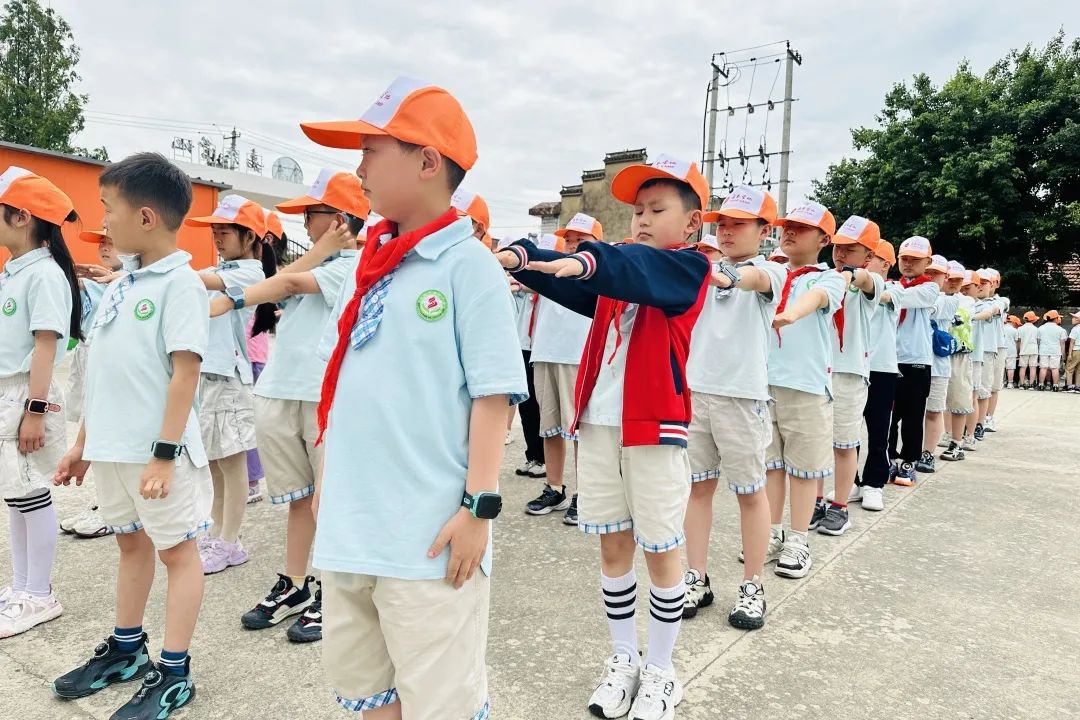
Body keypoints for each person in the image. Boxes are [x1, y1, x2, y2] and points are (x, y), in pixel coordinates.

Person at [302, 76, 526, 720]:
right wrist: (330, 477)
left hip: (427, 540)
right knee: (367, 692)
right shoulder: (372, 264)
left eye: (373, 150)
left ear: (428, 161)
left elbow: (494, 395)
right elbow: (339, 382)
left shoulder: (466, 266)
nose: (359, 167)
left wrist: (478, 508)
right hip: (353, 530)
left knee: (440, 701)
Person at [498, 153, 712, 720]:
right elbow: (576, 278)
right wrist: (523, 260)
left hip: (654, 433)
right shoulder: (617, 275)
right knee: (613, 544)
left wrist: (589, 262)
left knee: (662, 549)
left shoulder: (688, 270)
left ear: (692, 223)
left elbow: (631, 268)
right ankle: (624, 661)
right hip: (597, 427)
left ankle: (662, 671)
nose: (640, 218)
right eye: (636, 210)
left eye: (656, 208)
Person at [52, 152, 210, 718]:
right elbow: (104, 372)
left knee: (177, 553)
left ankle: (174, 672)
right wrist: (83, 444)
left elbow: (185, 375)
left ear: (145, 217)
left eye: (108, 210)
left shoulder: (180, 285)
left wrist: (165, 455)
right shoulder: (123, 285)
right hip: (114, 450)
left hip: (156, 456)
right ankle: (125, 649)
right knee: (129, 544)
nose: (104, 223)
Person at [211, 168, 369, 643]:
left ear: (339, 219)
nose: (303, 224)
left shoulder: (349, 264)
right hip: (282, 389)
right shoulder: (317, 262)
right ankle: (296, 581)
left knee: (328, 501)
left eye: (311, 214)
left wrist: (232, 298)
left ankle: (329, 587)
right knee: (298, 499)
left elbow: (287, 286)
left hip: (322, 395)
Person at [683, 186, 784, 629]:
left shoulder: (770, 271)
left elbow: (756, 282)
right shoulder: (701, 267)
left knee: (748, 491)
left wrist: (728, 277)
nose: (725, 230)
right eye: (721, 223)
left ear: (764, 231)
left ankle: (752, 584)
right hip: (696, 392)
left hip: (743, 398)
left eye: (737, 223)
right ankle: (696, 576)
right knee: (696, 488)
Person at [0, 166, 80, 638]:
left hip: (28, 394)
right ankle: (20, 587)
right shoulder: (15, 272)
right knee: (16, 495)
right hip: (10, 391)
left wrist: (34, 413)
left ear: (22, 217)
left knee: (32, 492)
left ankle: (39, 593)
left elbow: (47, 346)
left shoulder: (44, 275)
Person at [184, 195, 274, 574]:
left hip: (231, 380)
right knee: (219, 464)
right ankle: (220, 534)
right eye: (215, 231)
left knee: (233, 466)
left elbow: (199, 281)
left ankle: (229, 540)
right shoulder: (226, 267)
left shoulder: (250, 272)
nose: (217, 237)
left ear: (250, 235)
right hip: (211, 377)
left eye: (224, 231)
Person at [765, 201, 846, 578]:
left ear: (824, 239)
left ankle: (798, 539)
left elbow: (815, 301)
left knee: (803, 467)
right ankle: (771, 532)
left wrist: (791, 314)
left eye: (802, 227)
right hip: (765, 384)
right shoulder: (773, 273)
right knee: (770, 466)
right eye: (787, 226)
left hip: (807, 387)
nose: (790, 232)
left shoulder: (828, 278)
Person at [525, 216, 599, 525]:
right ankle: (554, 487)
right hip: (545, 352)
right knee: (549, 426)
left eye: (580, 240)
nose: (571, 245)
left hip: (577, 356)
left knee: (581, 430)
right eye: (568, 240)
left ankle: (587, 495)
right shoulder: (550, 269)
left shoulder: (596, 274)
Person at [57, 228, 126, 539]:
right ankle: (104, 503)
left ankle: (112, 507)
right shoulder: (95, 281)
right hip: (88, 355)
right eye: (102, 242)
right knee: (93, 425)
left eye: (110, 241)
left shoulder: (124, 283)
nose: (104, 248)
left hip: (108, 358)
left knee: (107, 429)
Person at [819, 215, 884, 526]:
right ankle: (816, 499)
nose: (840, 254)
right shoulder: (822, 276)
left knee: (844, 442)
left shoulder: (869, 282)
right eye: (837, 247)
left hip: (849, 373)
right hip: (818, 369)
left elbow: (865, 281)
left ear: (869, 256)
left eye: (850, 249)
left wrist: (847, 276)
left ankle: (840, 504)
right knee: (815, 441)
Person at [888, 237, 940, 485]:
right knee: (887, 415)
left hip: (916, 360)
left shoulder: (930, 288)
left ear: (927, 262)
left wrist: (885, 292)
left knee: (912, 415)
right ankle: (888, 459)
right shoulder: (892, 285)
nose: (908, 264)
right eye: (904, 259)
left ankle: (909, 462)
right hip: (889, 359)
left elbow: (906, 298)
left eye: (915, 260)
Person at [859, 239, 903, 508]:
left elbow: (881, 295)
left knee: (878, 430)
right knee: (846, 432)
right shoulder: (846, 284)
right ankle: (851, 483)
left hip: (881, 367)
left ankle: (874, 482)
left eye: (870, 256)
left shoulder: (894, 289)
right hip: (852, 365)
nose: (863, 260)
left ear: (885, 263)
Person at [915, 255, 955, 476]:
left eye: (936, 273)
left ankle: (928, 452)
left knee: (933, 410)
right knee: (910, 412)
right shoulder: (913, 291)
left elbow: (930, 306)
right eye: (927, 271)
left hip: (938, 367)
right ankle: (909, 453)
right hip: (914, 362)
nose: (930, 276)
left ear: (945, 277)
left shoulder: (949, 300)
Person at [939, 263, 976, 462]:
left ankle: (957, 442)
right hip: (935, 353)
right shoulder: (933, 295)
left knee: (959, 399)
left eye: (958, 280)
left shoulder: (967, 301)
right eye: (949, 278)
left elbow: (959, 317)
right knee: (933, 402)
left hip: (959, 354)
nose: (953, 283)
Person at [983, 269, 1009, 430]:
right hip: (978, 347)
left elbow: (995, 309)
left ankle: (988, 417)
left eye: (988, 282)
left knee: (993, 385)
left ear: (997, 283)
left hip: (997, 346)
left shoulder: (1001, 301)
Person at [1037, 310, 1067, 390]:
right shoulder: (1061, 330)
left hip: (1043, 350)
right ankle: (1055, 386)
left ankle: (1041, 385)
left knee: (1043, 368)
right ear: (1056, 318)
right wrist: (1063, 355)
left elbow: (1038, 341)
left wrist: (1039, 350)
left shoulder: (1040, 328)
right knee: (1055, 368)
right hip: (1056, 351)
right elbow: (1062, 344)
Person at [1017, 311, 1040, 389]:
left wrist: (1018, 350)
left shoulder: (1020, 329)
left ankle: (1022, 384)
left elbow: (1019, 341)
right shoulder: (1036, 329)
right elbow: (1038, 340)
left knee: (1023, 367)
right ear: (1033, 320)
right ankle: (1031, 385)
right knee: (1033, 367)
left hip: (1023, 349)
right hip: (1034, 350)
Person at [1003, 315, 1020, 388]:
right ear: (1013, 322)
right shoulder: (1015, 330)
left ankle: (1002, 382)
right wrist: (1017, 352)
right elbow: (1016, 342)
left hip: (1001, 349)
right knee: (1010, 368)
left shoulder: (1001, 328)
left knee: (1002, 367)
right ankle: (1010, 383)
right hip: (1011, 350)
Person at [1066, 312, 1080, 392]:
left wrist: (1070, 354)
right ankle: (1078, 387)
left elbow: (1072, 342)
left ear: (1078, 319)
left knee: (1069, 369)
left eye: (1074, 317)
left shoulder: (1075, 329)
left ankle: (1070, 387)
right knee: (1079, 370)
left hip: (1076, 350)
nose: (1072, 319)